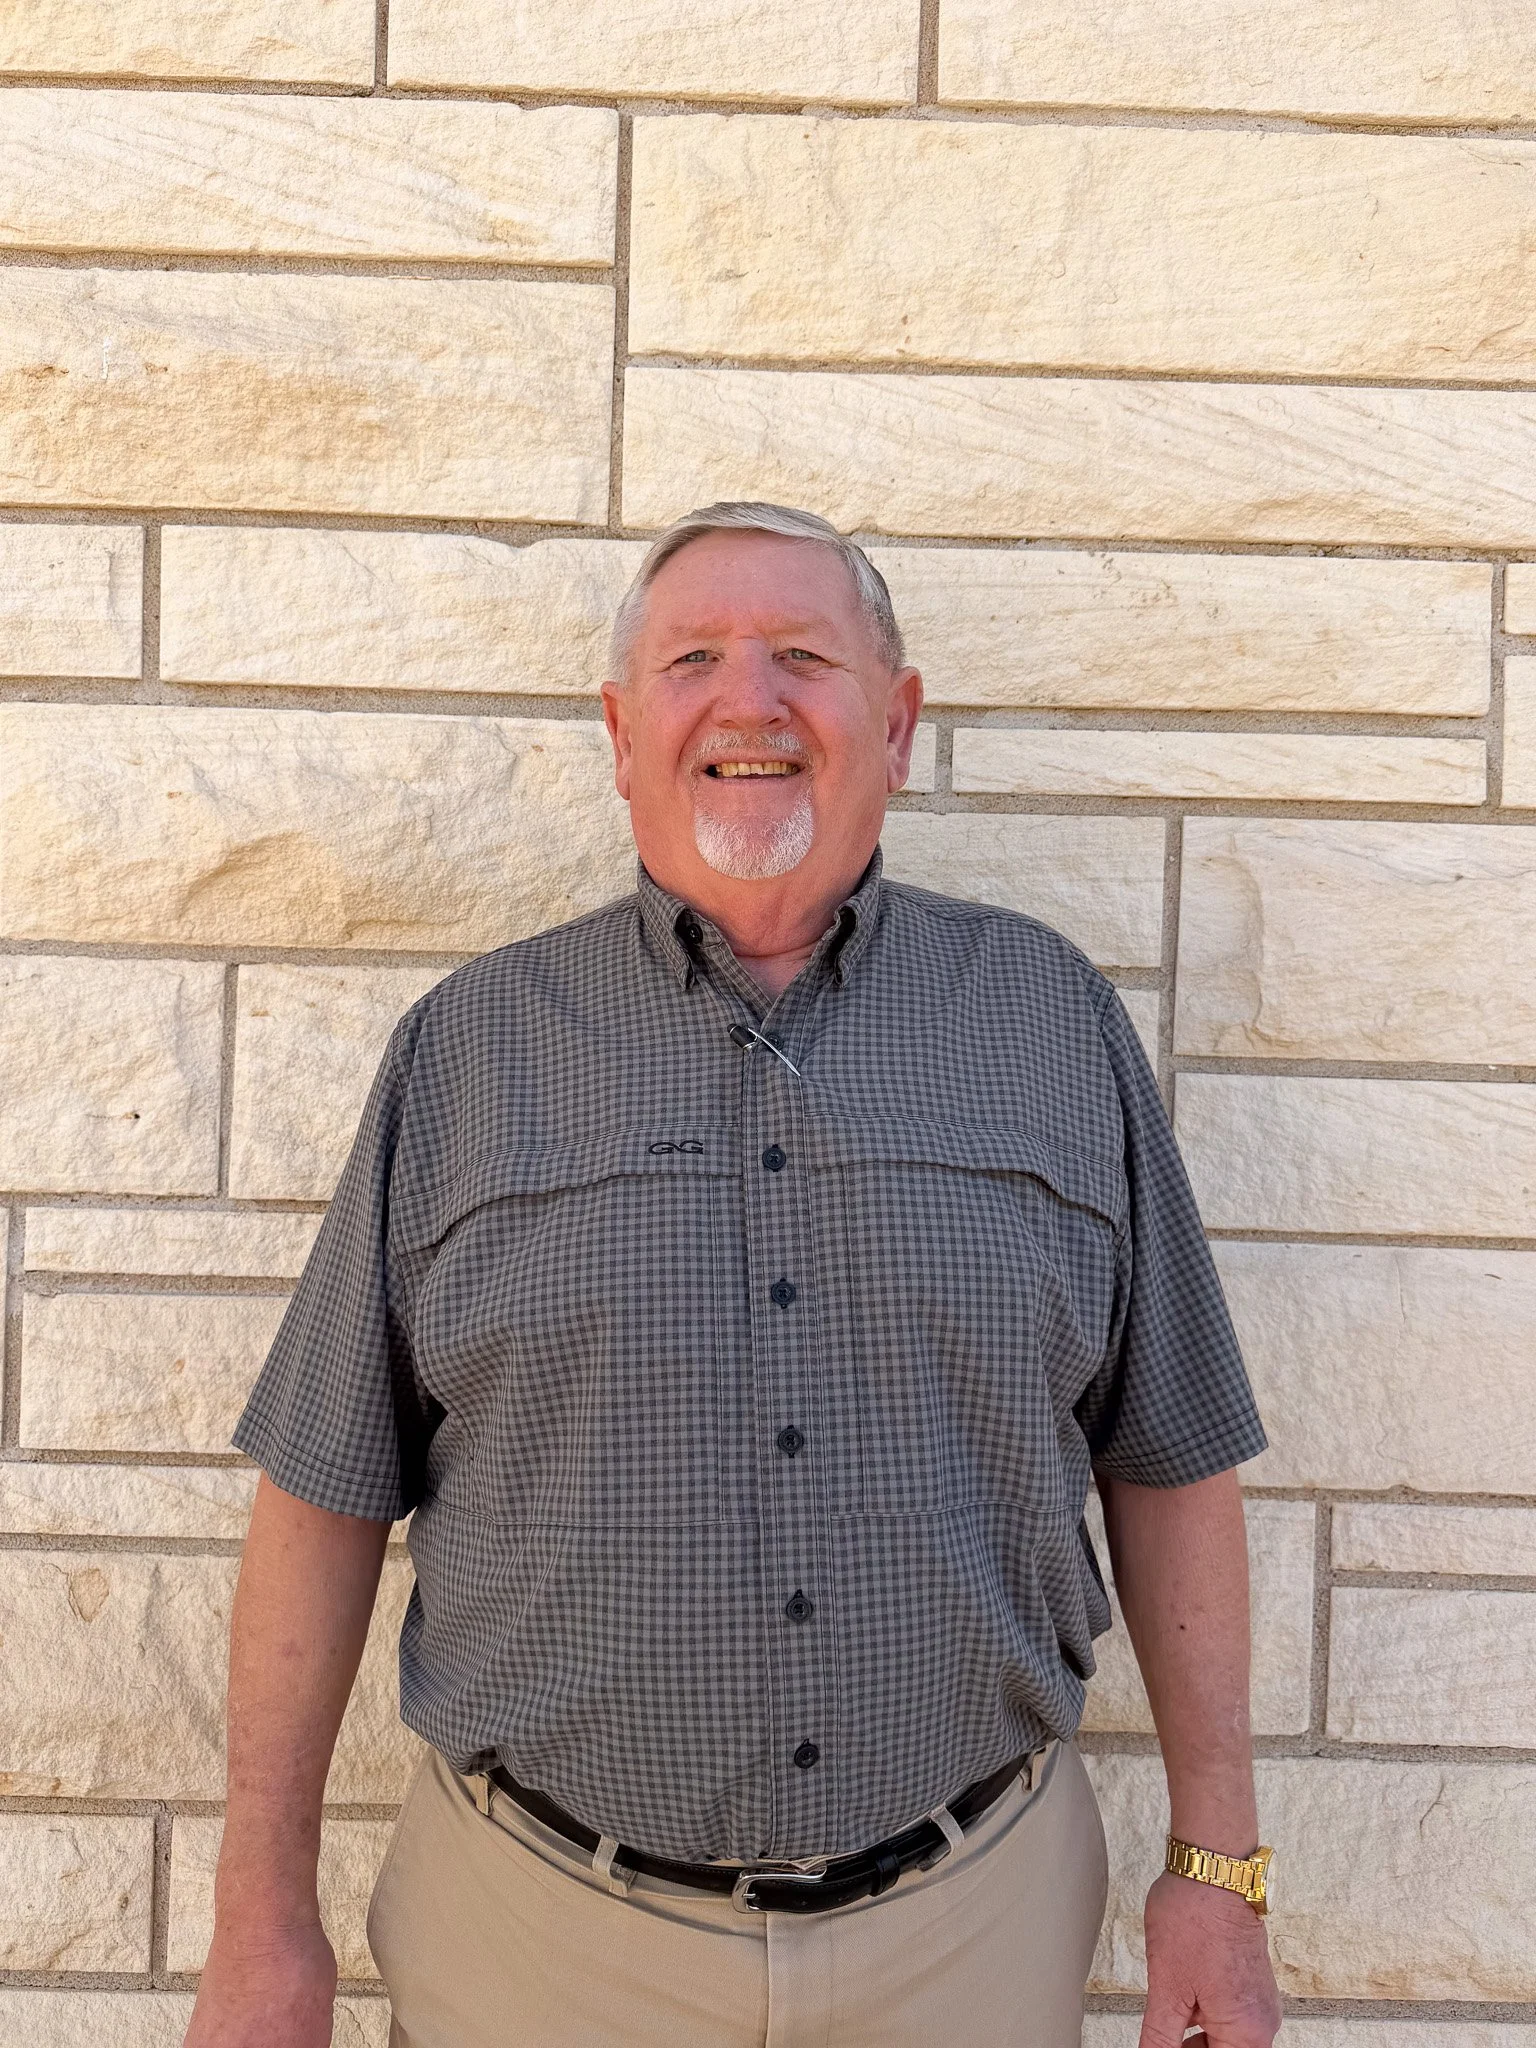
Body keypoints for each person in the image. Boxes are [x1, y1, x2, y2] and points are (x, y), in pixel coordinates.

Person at [186, 502, 1283, 2048]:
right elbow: (321, 1495)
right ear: (625, 735)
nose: (750, 700)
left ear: (895, 724)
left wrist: (1216, 1871)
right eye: (695, 658)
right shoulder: (470, 1053)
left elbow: (1170, 1457)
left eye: (804, 658)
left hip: (969, 1934)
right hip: (539, 1943)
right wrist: (258, 1921)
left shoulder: (1047, 1022)